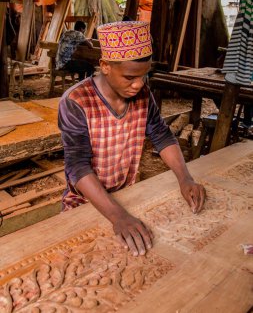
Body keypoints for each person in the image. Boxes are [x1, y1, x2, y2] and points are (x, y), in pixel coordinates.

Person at [58, 21, 205, 257]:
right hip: (86, 202)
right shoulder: (76, 101)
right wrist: (118, 216)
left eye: (144, 76)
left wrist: (185, 179)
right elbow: (77, 165)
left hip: (127, 195)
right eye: (129, 77)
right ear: (105, 66)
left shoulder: (143, 94)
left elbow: (162, 136)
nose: (138, 85)